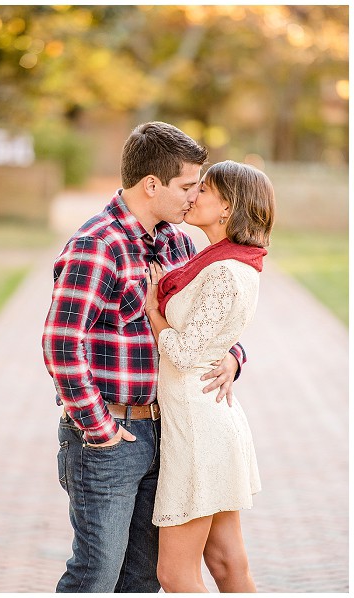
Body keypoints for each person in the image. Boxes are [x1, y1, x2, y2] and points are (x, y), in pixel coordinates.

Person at [42, 121, 246, 592]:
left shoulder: (178, 242)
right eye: (187, 187)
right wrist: (101, 430)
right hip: (112, 437)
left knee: (141, 579)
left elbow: (207, 320)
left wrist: (233, 356)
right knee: (96, 574)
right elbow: (60, 341)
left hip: (170, 432)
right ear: (152, 185)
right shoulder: (98, 243)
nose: (194, 198)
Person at [144, 160, 274, 592]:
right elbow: (216, 335)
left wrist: (153, 312)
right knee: (226, 564)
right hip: (207, 416)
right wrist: (232, 356)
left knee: (175, 574)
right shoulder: (220, 260)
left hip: (198, 429)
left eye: (205, 190)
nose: (193, 196)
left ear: (227, 208)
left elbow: (182, 352)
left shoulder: (223, 271)